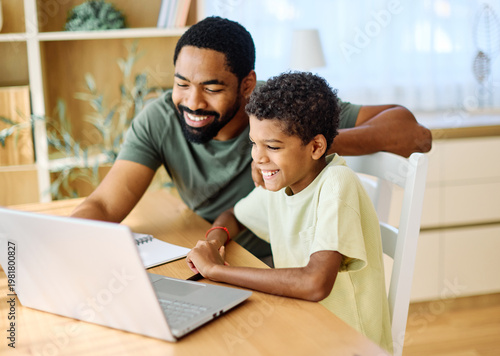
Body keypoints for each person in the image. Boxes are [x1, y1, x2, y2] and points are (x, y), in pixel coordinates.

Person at [70, 16, 431, 262]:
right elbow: (103, 206)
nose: (192, 102)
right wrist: (59, 244)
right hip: (223, 254)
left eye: (211, 88)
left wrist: (303, 145)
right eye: (182, 84)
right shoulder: (160, 119)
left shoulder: (284, 115)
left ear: (247, 85)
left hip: (284, 269)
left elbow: (413, 133)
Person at [186, 71, 392, 353]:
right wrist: (213, 242)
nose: (258, 158)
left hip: (348, 345)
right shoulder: (284, 185)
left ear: (316, 147)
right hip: (300, 330)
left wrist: (217, 270)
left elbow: (314, 283)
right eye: (254, 144)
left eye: (272, 146)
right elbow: (233, 216)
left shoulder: (336, 185)